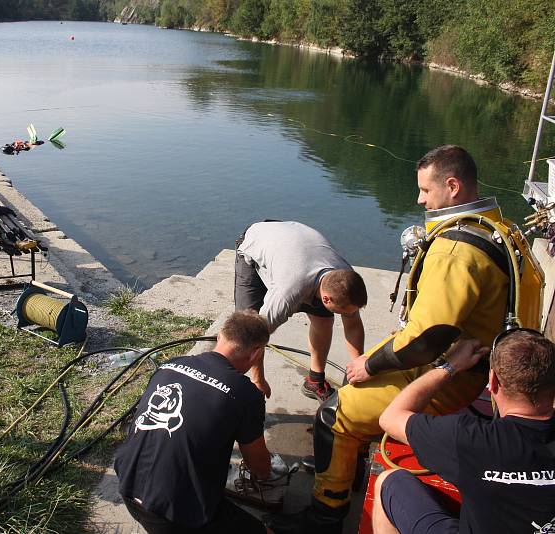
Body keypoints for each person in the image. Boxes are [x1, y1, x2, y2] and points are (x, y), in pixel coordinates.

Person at [268, 145, 535, 533]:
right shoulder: (499, 226)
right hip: (481, 362)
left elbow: (427, 338)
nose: (419, 199)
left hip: (452, 374)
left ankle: (326, 512)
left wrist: (370, 363)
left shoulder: (457, 250)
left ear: (453, 186)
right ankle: (345, 467)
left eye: (426, 191)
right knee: (355, 378)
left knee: (332, 412)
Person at [373, 330, 555, 534]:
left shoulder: (470, 439)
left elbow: (389, 418)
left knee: (388, 483)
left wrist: (450, 366)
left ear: (492, 381)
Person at [114, 310, 276, 534]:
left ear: (220, 336)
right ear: (256, 354)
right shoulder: (246, 395)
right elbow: (260, 468)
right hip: (174, 514)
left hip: (127, 487)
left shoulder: (169, 366)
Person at [235, 221, 367, 401]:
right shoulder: (288, 292)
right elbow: (255, 336)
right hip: (256, 243)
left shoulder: (344, 278)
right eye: (342, 312)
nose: (346, 315)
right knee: (247, 324)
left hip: (293, 243)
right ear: (326, 299)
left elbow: (352, 325)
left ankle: (315, 382)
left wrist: (359, 365)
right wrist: (259, 380)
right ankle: (245, 384)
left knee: (324, 321)